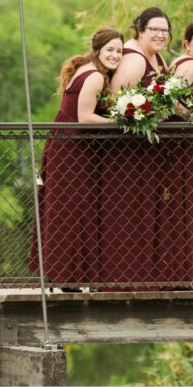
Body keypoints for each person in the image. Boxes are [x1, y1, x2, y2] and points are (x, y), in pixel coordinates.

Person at [29, 27, 124, 291]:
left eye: (119, 51)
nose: (115, 55)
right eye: (110, 50)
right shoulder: (93, 76)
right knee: (73, 211)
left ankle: (65, 274)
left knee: (66, 209)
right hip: (73, 148)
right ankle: (66, 276)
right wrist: (121, 120)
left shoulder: (86, 70)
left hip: (65, 143)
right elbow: (85, 118)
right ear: (97, 51)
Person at [105, 7, 176, 288]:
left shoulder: (156, 56)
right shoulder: (133, 61)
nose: (160, 34)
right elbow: (114, 105)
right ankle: (120, 276)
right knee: (126, 212)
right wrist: (145, 117)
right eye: (154, 29)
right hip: (126, 152)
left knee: (143, 211)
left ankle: (142, 274)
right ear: (140, 30)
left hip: (147, 151)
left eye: (165, 30)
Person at [158, 22, 193, 286]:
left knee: (177, 202)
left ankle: (177, 270)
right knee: (185, 201)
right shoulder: (191, 65)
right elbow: (170, 100)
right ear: (187, 45)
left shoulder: (182, 63)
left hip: (183, 142)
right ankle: (180, 272)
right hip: (183, 144)